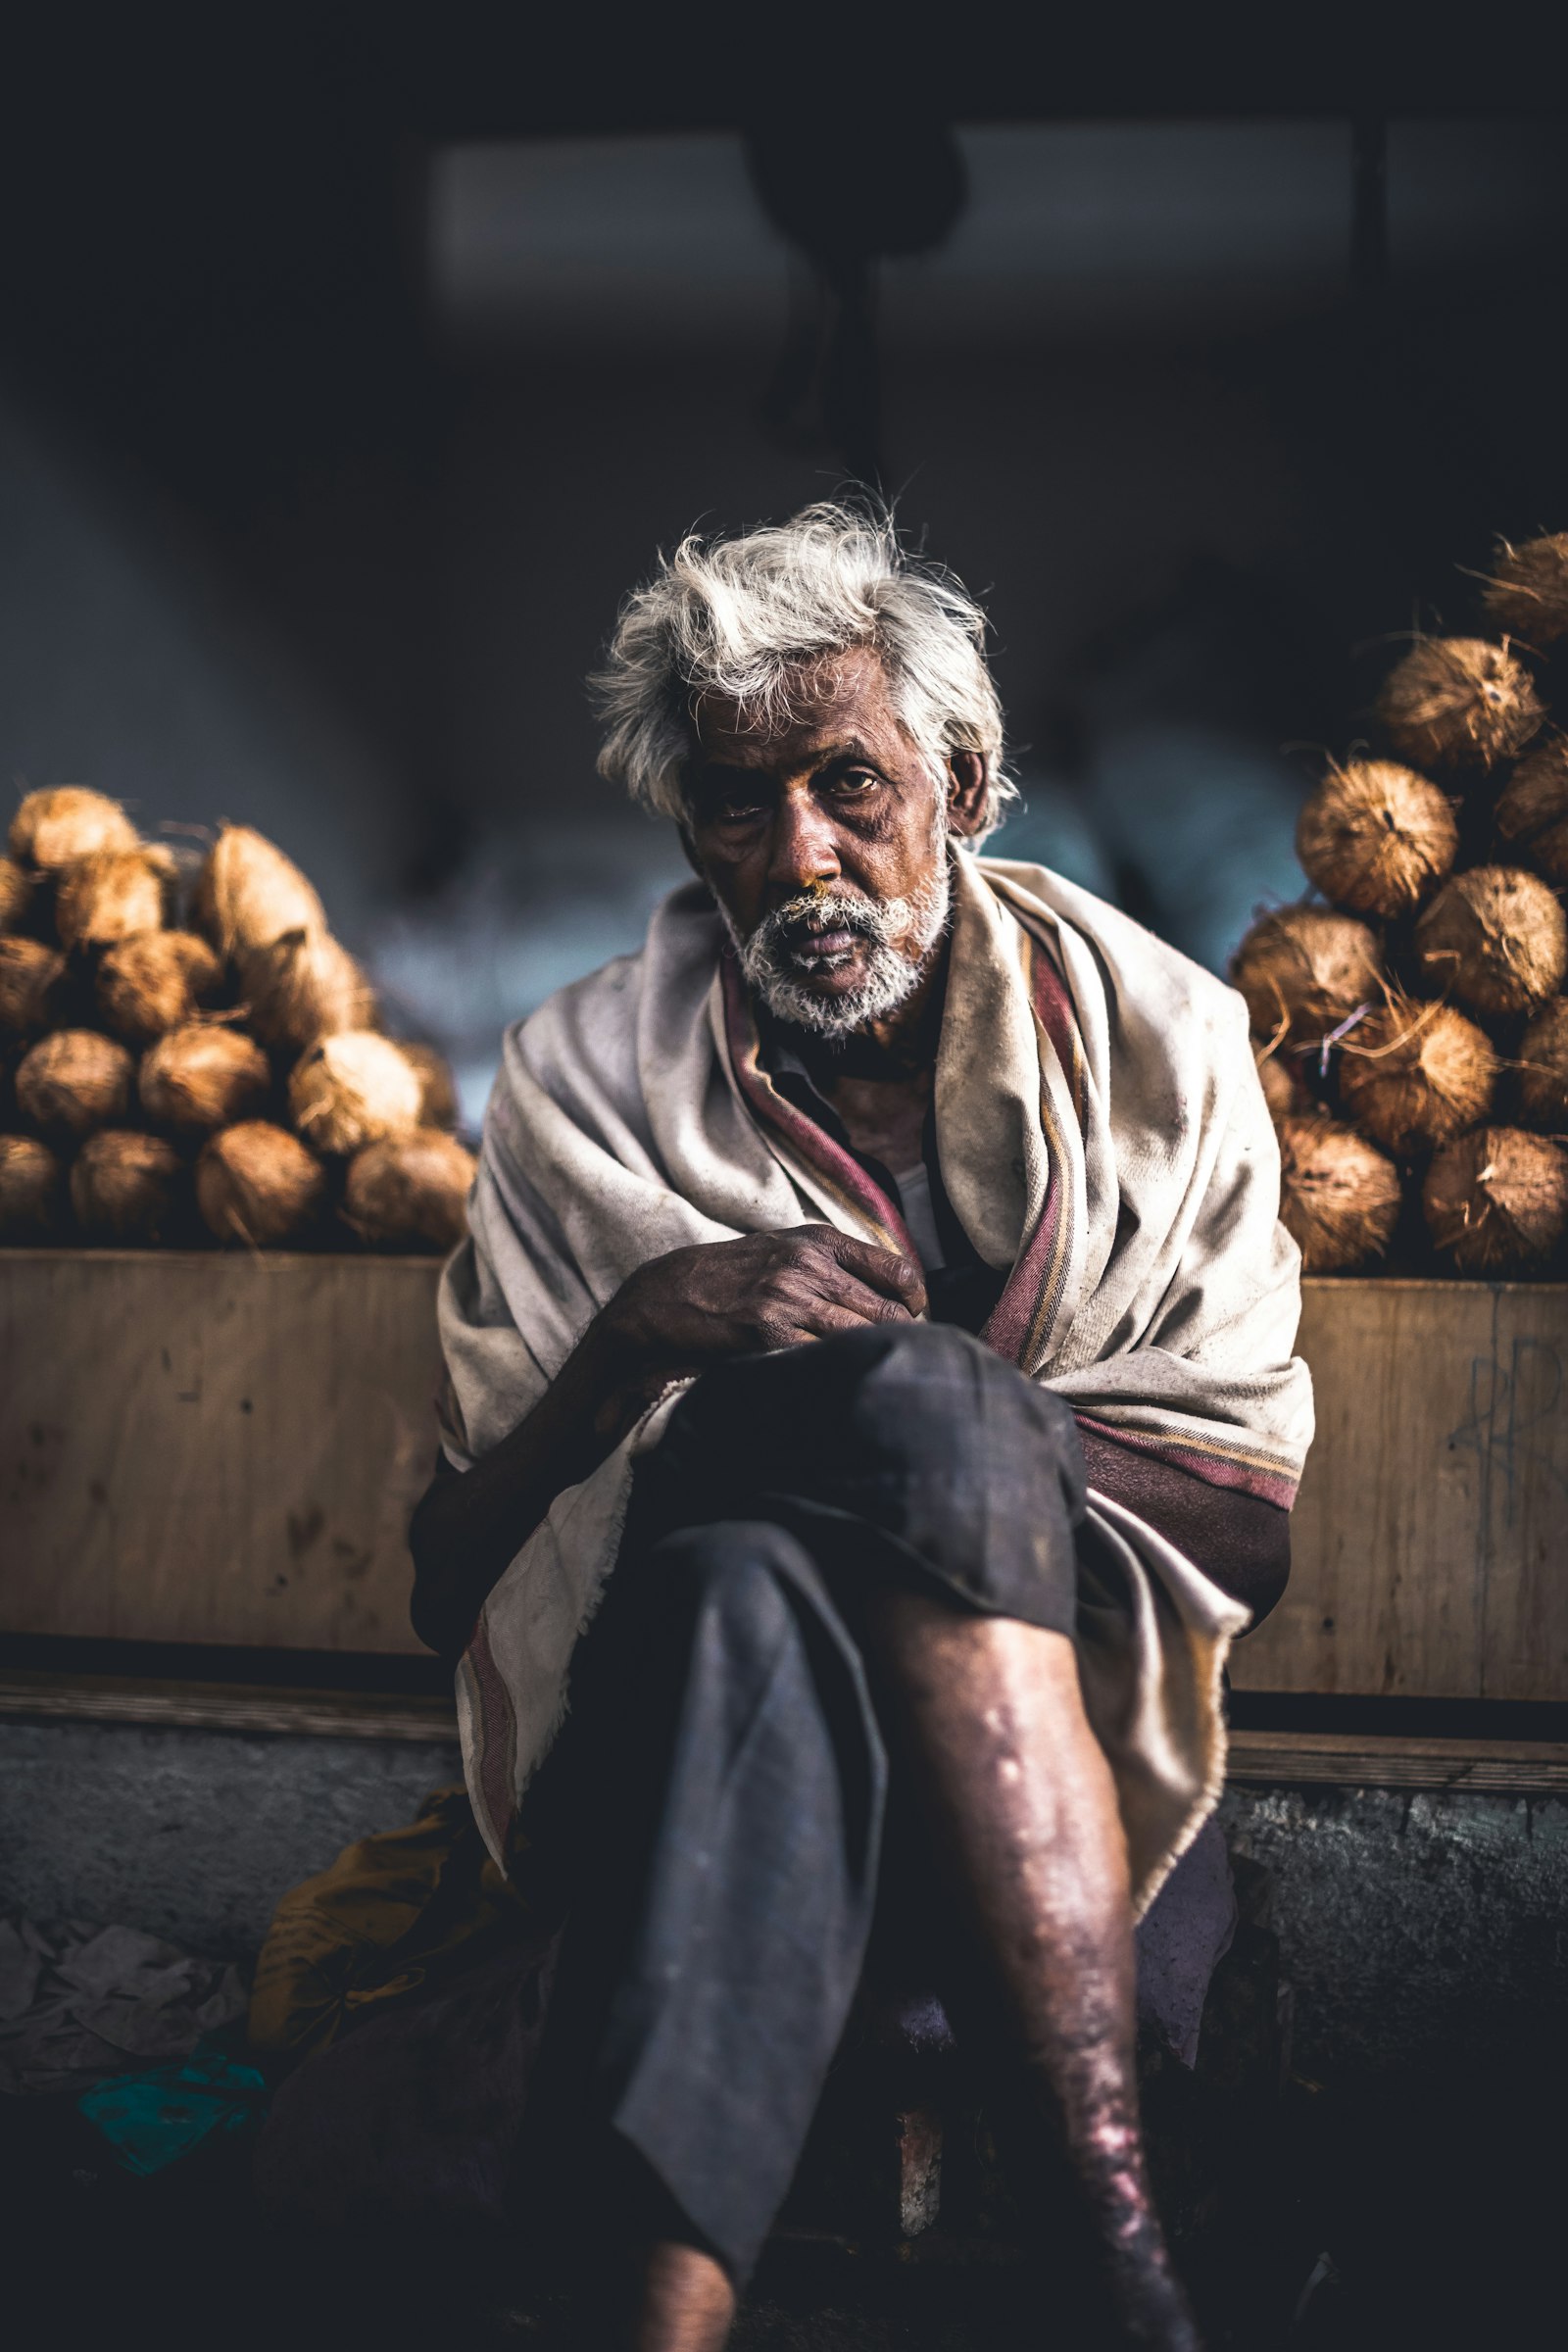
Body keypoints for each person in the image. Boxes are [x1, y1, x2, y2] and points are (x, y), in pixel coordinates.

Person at [408, 505, 1312, 2350]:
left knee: (790, 1554)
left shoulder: (1166, 1047)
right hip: (639, 1741)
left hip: (1005, 1745)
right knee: (871, 1451)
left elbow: (1246, 1524)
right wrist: (638, 1341)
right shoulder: (581, 1074)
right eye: (738, 807)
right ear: (690, 832)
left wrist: (946, 1438)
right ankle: (1124, 2262)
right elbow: (446, 1585)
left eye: (849, 786)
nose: (799, 855)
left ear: (965, 782)